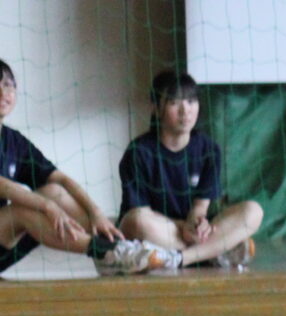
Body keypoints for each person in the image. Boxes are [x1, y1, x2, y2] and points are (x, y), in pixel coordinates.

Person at [0, 59, 172, 276]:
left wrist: (96, 213)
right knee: (22, 210)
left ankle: (114, 249)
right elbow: (3, 186)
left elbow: (59, 179)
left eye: (7, 85)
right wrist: (47, 207)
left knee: (52, 191)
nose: (2, 91)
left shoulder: (13, 141)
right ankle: (107, 252)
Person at [118, 70, 263, 268]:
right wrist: (184, 227)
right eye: (174, 102)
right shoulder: (138, 152)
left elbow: (200, 207)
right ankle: (216, 251)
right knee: (137, 221)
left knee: (254, 211)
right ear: (155, 107)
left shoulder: (209, 149)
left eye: (191, 101)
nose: (185, 111)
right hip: (163, 229)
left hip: (191, 231)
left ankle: (181, 258)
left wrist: (197, 223)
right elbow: (139, 212)